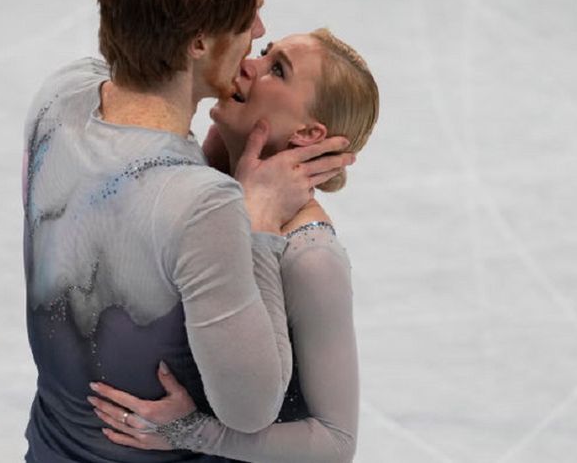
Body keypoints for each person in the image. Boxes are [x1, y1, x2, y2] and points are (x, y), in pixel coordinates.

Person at [21, 0, 356, 462]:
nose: (258, 34)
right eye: (247, 20)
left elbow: (135, 211)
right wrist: (260, 221)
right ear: (199, 43)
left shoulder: (57, 100)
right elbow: (249, 409)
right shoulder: (205, 206)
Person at [88, 29, 379, 463]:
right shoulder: (209, 184)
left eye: (276, 70)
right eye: (265, 52)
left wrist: (193, 432)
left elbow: (335, 443)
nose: (248, 64)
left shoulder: (310, 257)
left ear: (307, 132)